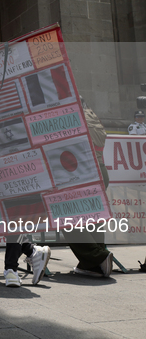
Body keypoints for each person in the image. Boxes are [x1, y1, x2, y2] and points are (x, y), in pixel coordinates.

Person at [64, 96, 113, 278]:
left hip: (82, 171)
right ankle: (94, 264)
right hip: (99, 170)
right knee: (93, 216)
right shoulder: (91, 115)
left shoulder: (73, 117)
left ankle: (97, 258)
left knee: (66, 215)